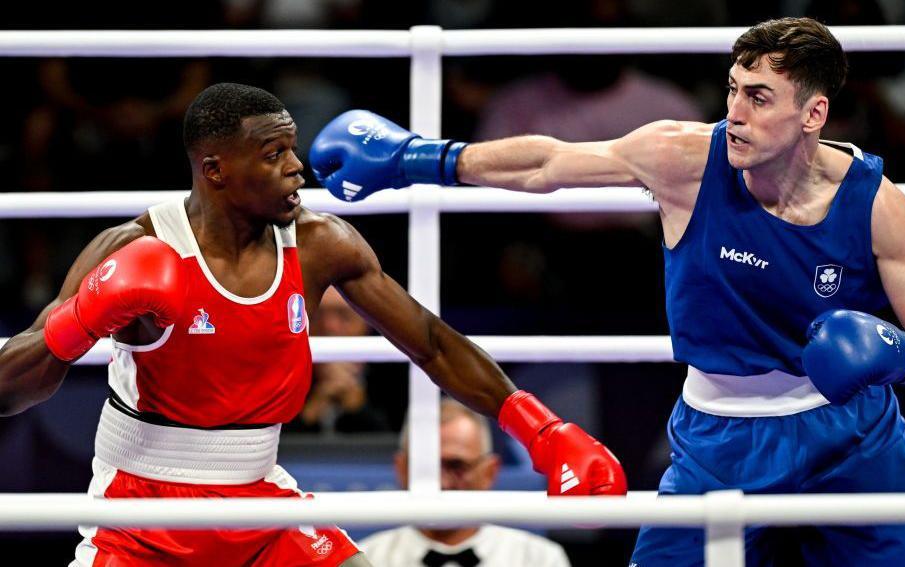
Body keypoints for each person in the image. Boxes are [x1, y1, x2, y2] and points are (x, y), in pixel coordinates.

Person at [310, 17, 905, 566]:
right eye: (734, 90)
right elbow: (548, 163)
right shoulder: (685, 159)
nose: (736, 114)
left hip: (854, 437)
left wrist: (895, 353)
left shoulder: (876, 206)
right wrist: (422, 157)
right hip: (721, 437)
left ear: (813, 113)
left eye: (760, 98)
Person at [0, 82, 626, 567]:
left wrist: (541, 429)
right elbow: (11, 386)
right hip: (140, 510)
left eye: (292, 148)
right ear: (215, 170)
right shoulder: (133, 247)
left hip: (260, 498)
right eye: (274, 155)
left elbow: (432, 343)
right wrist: (77, 320)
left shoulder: (321, 244)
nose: (297, 167)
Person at [359, 398, 571, 567]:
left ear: (489, 472)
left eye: (456, 465)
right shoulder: (365, 560)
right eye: (426, 467)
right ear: (402, 468)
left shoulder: (538, 560)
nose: (441, 481)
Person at [287, 285, 390, 434]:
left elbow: (398, 449)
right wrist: (311, 412)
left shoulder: (396, 367)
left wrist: (358, 408)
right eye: (317, 315)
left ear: (368, 322)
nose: (330, 326)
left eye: (343, 315)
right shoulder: (283, 373)